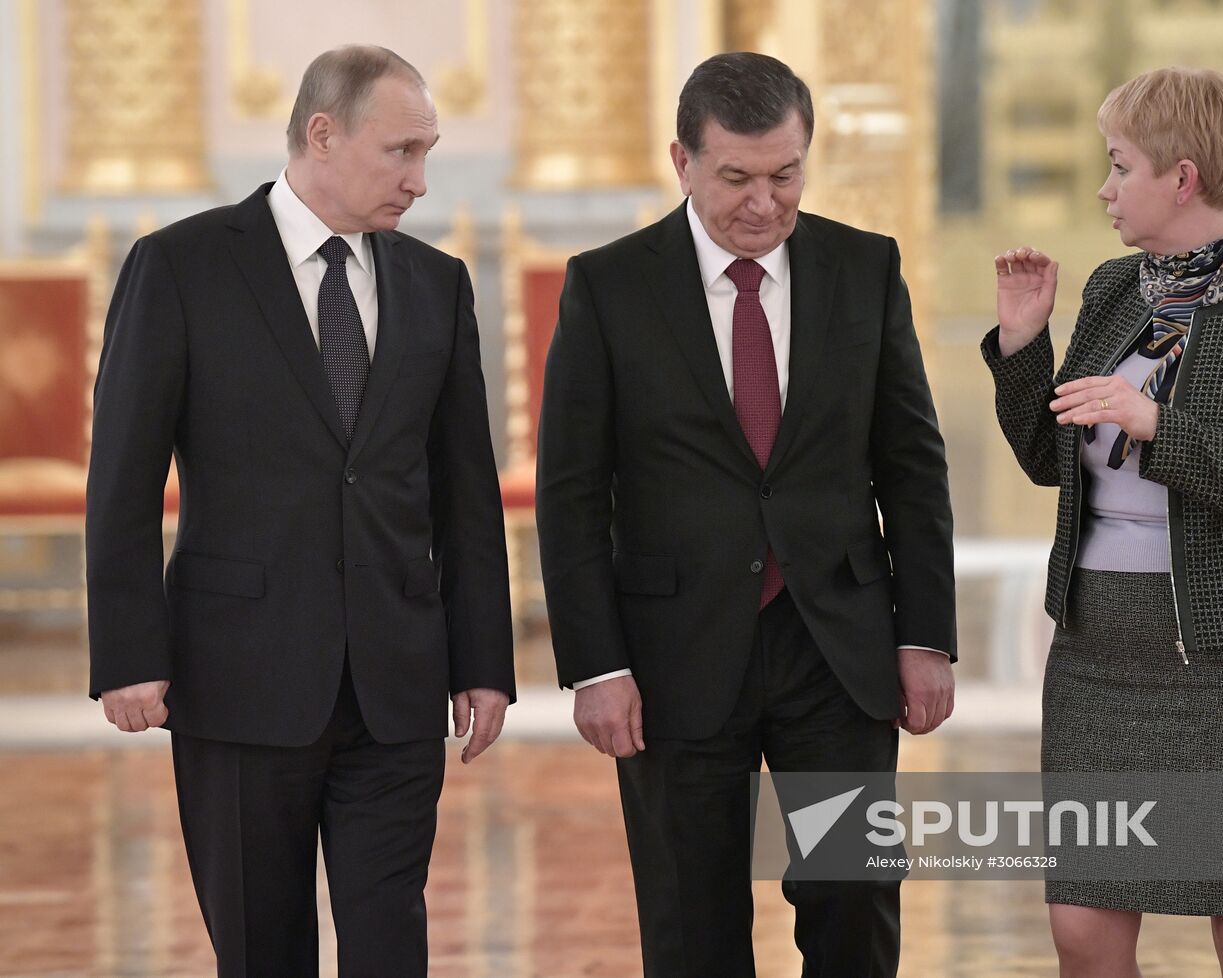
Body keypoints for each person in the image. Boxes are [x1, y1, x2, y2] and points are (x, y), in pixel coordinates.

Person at [85, 46, 514, 978]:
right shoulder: (180, 267)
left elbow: (465, 494)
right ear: (322, 133)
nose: (421, 179)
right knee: (260, 950)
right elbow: (119, 483)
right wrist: (127, 655)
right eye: (402, 151)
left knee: (389, 944)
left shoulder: (437, 284)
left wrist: (484, 662)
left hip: (397, 684)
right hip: (238, 681)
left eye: (429, 152)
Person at [536, 52, 956, 978]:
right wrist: (595, 667)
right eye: (736, 178)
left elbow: (912, 468)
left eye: (785, 174)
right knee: (693, 930)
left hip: (837, 652)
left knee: (854, 919)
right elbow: (571, 492)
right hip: (673, 658)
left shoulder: (865, 267)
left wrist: (927, 636)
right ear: (681, 162)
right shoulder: (607, 286)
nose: (764, 203)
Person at [985, 66, 1223, 978]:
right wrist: (1021, 345)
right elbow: (1053, 462)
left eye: (1119, 166)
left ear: (1183, 177)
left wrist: (1161, 426)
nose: (1105, 189)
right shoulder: (1119, 290)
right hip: (1100, 656)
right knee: (1081, 924)